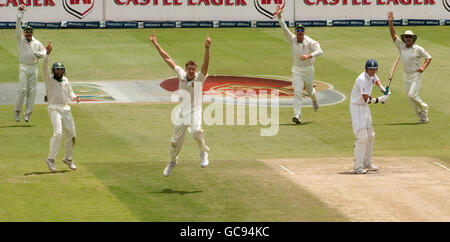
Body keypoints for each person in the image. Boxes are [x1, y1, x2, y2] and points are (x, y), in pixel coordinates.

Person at [150, 32, 211, 177]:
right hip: (182, 113)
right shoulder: (181, 74)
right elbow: (167, 58)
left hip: (195, 110)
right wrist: (156, 44)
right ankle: (172, 162)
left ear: (195, 70)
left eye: (193, 69)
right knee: (175, 142)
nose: (191, 71)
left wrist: (207, 48)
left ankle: (203, 152)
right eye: (189, 69)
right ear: (186, 69)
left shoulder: (199, 78)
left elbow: (206, 66)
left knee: (196, 131)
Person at [275, 5, 323, 124]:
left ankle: (314, 98)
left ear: (304, 32)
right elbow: (284, 28)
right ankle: (297, 115)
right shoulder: (292, 39)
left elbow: (320, 51)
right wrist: (279, 16)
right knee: (297, 92)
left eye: (302, 31)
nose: (300, 33)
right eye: (298, 31)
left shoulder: (309, 41)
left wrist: (309, 56)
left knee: (310, 90)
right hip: (296, 70)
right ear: (296, 32)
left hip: (308, 69)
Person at [387, 11, 432, 124]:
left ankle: (424, 106)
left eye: (410, 37)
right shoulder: (401, 46)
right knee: (411, 101)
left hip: (416, 75)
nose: (407, 38)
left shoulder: (418, 49)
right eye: (406, 37)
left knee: (412, 95)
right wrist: (390, 22)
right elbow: (393, 35)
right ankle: (423, 118)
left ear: (413, 38)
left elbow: (428, 58)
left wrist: (423, 68)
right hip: (406, 75)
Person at [43, 42, 80, 172]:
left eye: (61, 69)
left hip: (65, 109)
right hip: (54, 108)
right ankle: (51, 159)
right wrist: (47, 55)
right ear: (53, 71)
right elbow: (44, 68)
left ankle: (68, 159)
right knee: (58, 134)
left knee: (72, 135)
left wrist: (74, 97)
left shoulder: (66, 80)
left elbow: (70, 92)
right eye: (57, 69)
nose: (59, 71)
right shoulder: (49, 80)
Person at [350, 59, 390, 174]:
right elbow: (366, 99)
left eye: (374, 70)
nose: (372, 72)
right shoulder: (362, 79)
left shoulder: (373, 75)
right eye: (370, 70)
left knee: (371, 135)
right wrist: (380, 99)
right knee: (362, 137)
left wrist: (382, 88)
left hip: (364, 108)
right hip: (357, 107)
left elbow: (376, 80)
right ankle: (358, 167)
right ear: (366, 69)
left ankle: (367, 163)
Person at [14, 5, 47, 122]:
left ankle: (28, 113)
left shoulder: (36, 42)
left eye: (30, 32)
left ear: (32, 33)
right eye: (26, 32)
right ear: (24, 33)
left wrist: (41, 54)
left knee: (32, 91)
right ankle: (17, 112)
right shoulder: (20, 40)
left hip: (34, 68)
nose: (28, 34)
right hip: (24, 67)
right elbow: (18, 29)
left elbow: (44, 51)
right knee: (22, 90)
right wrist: (19, 18)